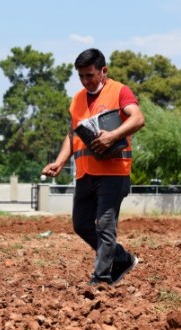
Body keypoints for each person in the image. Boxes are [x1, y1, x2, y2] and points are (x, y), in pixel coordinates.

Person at [42, 48, 145, 286]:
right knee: (81, 224)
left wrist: (113, 135)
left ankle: (101, 278)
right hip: (85, 173)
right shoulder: (77, 99)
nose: (86, 81)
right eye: (81, 76)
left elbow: (138, 118)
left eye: (90, 75)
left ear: (103, 71)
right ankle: (121, 258)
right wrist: (59, 162)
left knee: (105, 226)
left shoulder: (119, 91)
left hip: (113, 172)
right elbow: (72, 135)